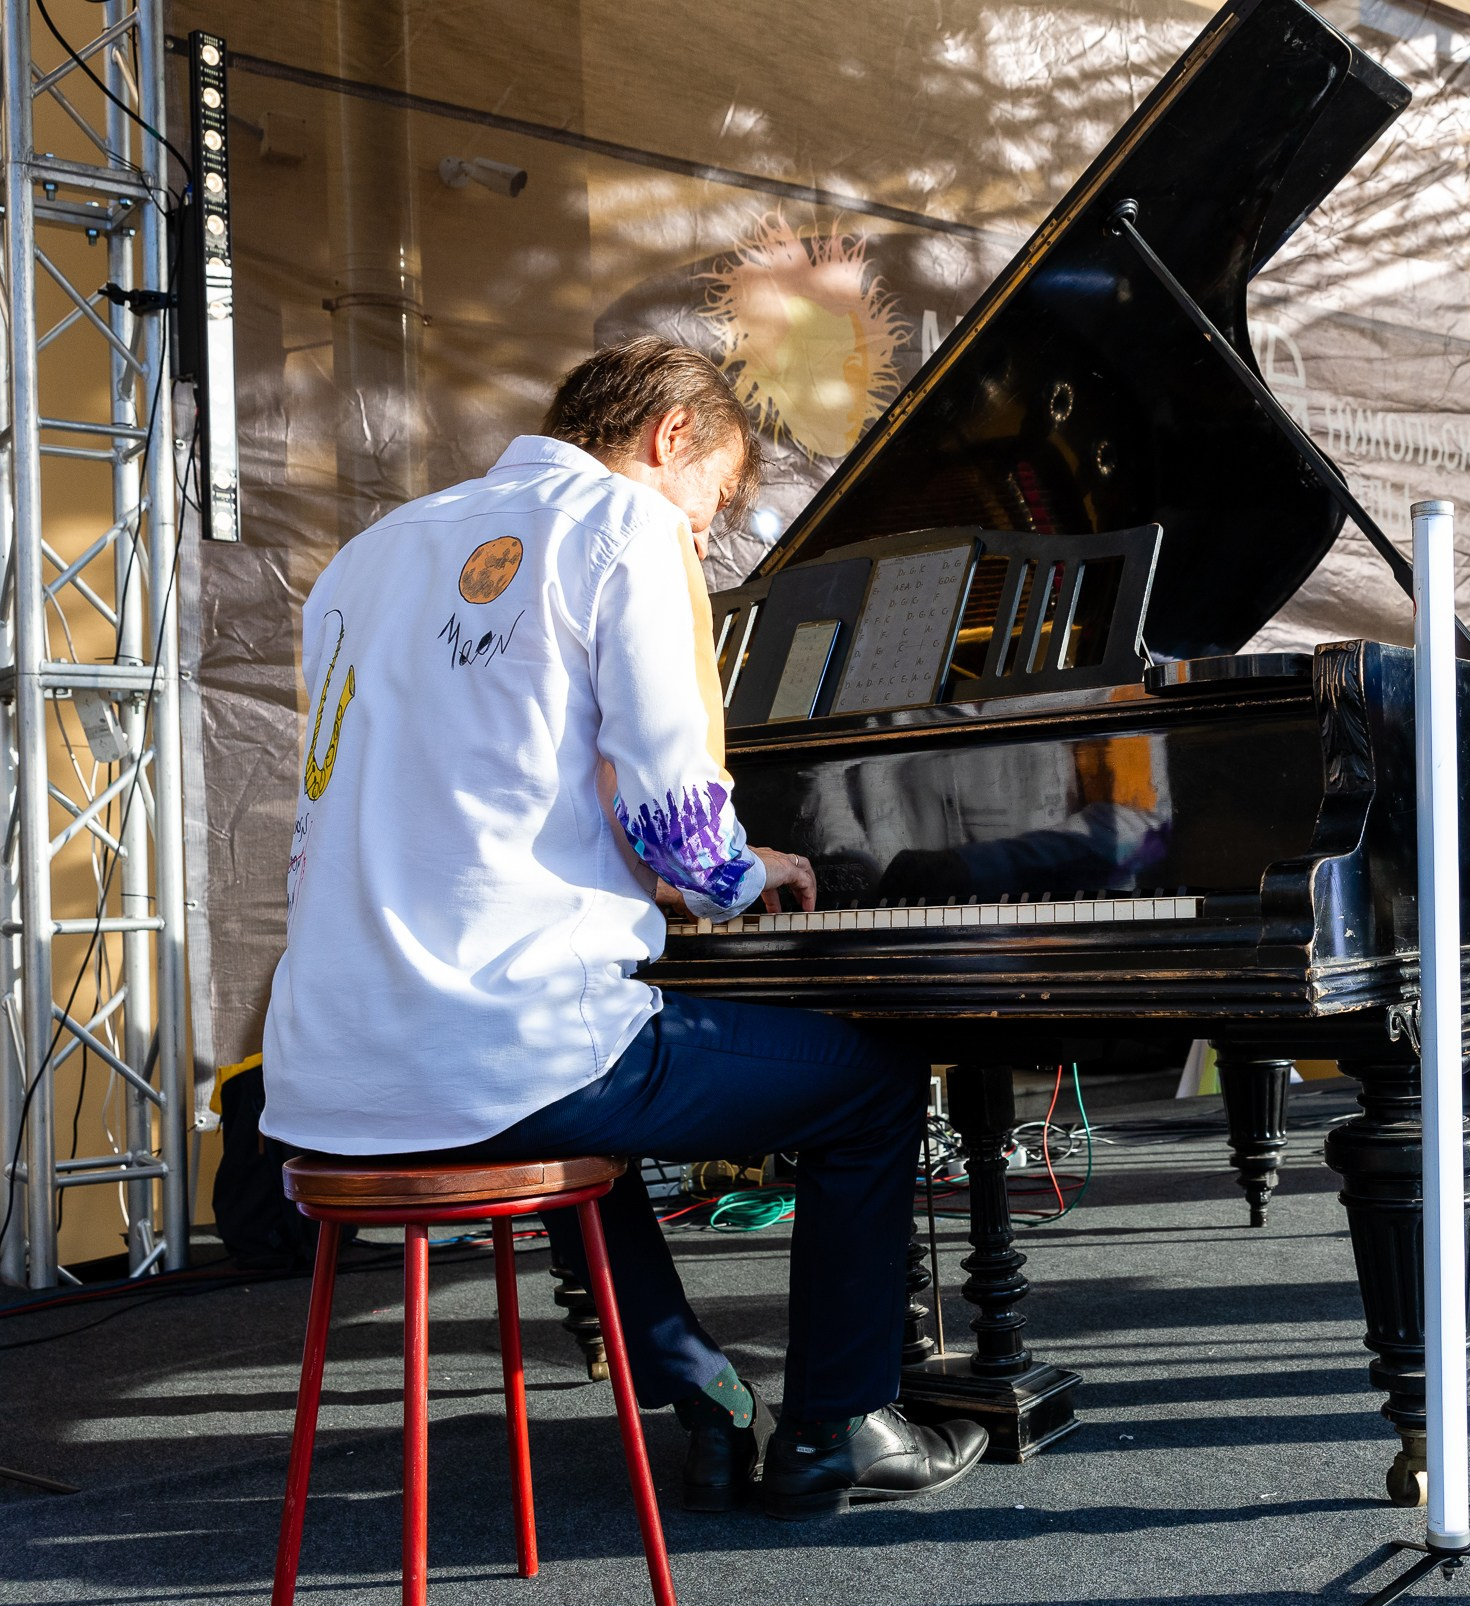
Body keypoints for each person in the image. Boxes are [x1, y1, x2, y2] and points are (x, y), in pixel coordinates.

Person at [259, 337, 988, 1521]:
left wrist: (623, 874)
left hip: (331, 1068)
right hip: (500, 1044)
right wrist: (742, 877)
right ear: (673, 437)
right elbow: (679, 824)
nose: (702, 539)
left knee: (588, 1090)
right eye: (713, 508)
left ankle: (709, 1404)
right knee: (872, 1083)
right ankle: (840, 1428)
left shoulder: (364, 556)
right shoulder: (621, 526)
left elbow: (443, 794)